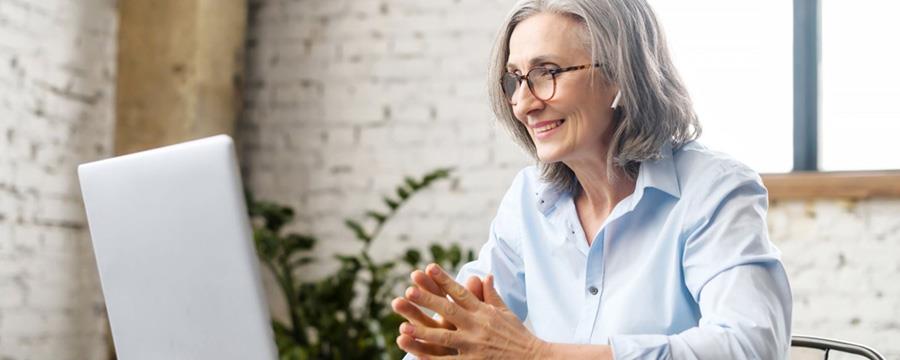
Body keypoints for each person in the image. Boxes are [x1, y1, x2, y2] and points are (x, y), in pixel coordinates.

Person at [391, 0, 793, 358]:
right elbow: (468, 329)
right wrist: (446, 344)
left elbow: (750, 345)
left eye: (546, 72)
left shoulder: (713, 189)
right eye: (515, 78)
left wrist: (539, 356)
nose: (523, 104)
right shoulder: (528, 199)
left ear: (620, 74)